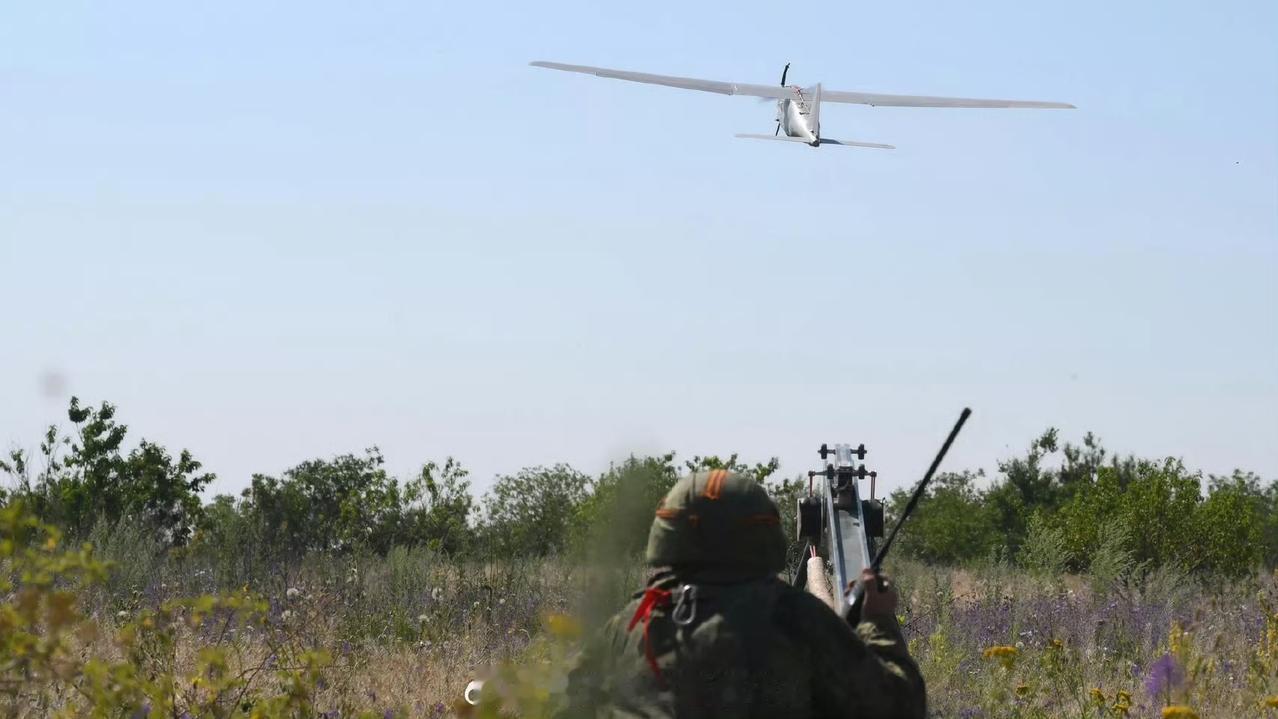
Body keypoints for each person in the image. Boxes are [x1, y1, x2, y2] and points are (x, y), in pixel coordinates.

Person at [558, 469, 926, 719]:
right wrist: (877, 621)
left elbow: (568, 702)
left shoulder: (629, 622)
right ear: (761, 534)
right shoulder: (792, 616)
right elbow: (897, 707)